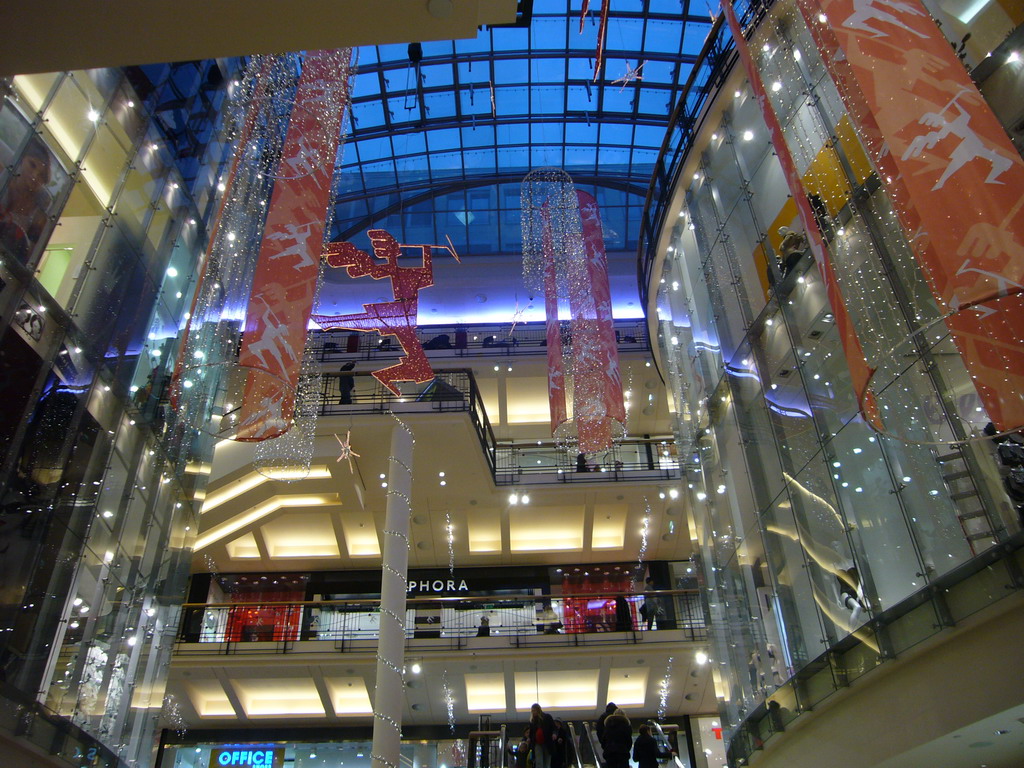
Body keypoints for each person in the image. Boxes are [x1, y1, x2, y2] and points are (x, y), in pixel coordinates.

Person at [0, 137, 51, 263]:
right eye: (32, 165)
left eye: (41, 175)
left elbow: (29, 257)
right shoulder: (3, 176)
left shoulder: (39, 213)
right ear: (22, 158)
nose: (34, 176)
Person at [528, 703, 556, 768]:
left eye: (534, 711)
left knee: (545, 762)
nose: (533, 712)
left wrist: (554, 734)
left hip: (546, 742)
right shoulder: (533, 721)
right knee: (540, 762)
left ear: (538, 710)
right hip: (540, 743)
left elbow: (553, 727)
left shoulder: (546, 717)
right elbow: (531, 733)